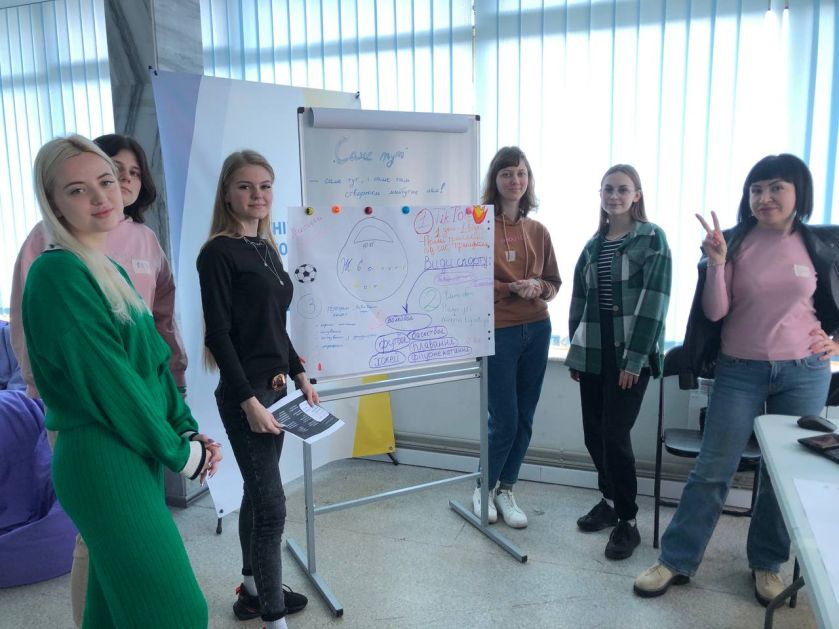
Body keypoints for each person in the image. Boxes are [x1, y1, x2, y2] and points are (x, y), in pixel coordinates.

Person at [21, 134, 220, 628]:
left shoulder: (107, 268)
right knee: (178, 613)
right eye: (77, 190)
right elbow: (111, 383)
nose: (100, 197)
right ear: (54, 203)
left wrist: (185, 428)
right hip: (101, 456)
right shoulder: (57, 274)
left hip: (133, 451)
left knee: (111, 613)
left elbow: (154, 363)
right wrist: (179, 452)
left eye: (105, 181)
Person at [634, 154, 839, 605]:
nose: (764, 198)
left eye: (776, 188)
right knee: (712, 469)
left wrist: (836, 341)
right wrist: (717, 263)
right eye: (756, 189)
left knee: (782, 476)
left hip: (804, 373)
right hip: (739, 371)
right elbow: (715, 312)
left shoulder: (821, 243)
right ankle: (676, 559)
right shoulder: (731, 241)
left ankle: (767, 563)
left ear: (799, 192)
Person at [197, 150, 316, 629]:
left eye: (265, 186)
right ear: (227, 192)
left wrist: (300, 373)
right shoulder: (218, 253)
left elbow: (274, 324)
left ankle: (252, 590)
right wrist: (248, 401)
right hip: (246, 396)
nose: (257, 195)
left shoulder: (266, 248)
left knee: (257, 491)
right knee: (271, 507)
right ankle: (272, 617)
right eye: (245, 186)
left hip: (278, 389)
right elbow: (218, 334)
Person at [566, 164, 672, 560]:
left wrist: (635, 360)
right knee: (593, 434)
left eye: (623, 189)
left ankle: (628, 520)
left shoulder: (652, 238)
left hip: (631, 354)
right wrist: (577, 352)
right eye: (608, 189)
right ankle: (609, 502)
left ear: (636, 195)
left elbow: (655, 303)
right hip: (594, 352)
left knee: (614, 436)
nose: (614, 196)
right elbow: (580, 302)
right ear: (600, 195)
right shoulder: (594, 245)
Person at [470, 146, 561, 528]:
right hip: (498, 331)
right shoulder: (478, 228)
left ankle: (506, 489)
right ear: (495, 179)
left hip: (537, 329)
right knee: (504, 420)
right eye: (507, 173)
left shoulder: (538, 231)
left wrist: (539, 287)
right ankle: (483, 486)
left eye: (521, 173)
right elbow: (467, 280)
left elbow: (554, 283)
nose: (515, 180)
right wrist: (509, 289)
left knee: (524, 418)